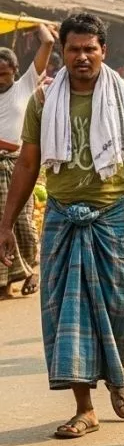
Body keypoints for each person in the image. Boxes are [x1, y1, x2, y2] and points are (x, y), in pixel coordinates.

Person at [0, 12, 124, 438]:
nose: (82, 57)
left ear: (103, 51)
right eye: (73, 49)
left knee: (119, 310)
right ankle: (84, 407)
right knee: (65, 314)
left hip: (111, 216)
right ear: (63, 52)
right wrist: (5, 224)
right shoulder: (43, 99)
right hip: (61, 214)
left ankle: (116, 375)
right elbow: (28, 163)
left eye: (90, 49)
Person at [0, 23, 55, 300]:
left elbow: (48, 43)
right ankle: (4, 283)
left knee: (22, 222)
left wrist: (36, 25)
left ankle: (32, 269)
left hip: (17, 164)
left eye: (4, 73)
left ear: (15, 71)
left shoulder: (25, 86)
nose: (0, 79)